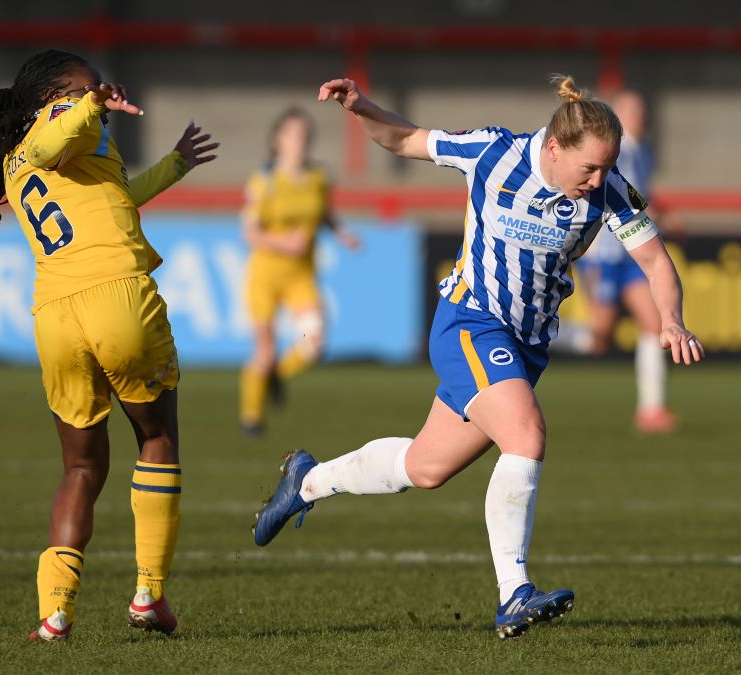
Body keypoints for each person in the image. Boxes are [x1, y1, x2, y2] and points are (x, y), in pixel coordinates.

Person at [251, 74, 704, 640]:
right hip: (470, 322)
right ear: (554, 148)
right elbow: (406, 140)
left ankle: (309, 480)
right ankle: (514, 592)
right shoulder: (493, 151)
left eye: (607, 168)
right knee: (526, 436)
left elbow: (657, 264)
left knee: (425, 467)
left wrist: (671, 318)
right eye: (588, 168)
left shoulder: (612, 189)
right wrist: (361, 105)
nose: (598, 180)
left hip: (526, 346)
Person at [0, 49, 218, 641]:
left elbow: (116, 197)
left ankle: (55, 613)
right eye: (86, 85)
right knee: (156, 437)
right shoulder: (59, 129)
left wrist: (174, 164)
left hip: (55, 316)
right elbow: (56, 138)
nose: (99, 93)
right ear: (53, 97)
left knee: (80, 466)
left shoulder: (18, 158)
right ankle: (148, 594)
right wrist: (87, 106)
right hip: (117, 299)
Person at [239, 108, 360, 437]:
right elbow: (250, 232)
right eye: (293, 135)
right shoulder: (264, 181)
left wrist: (341, 232)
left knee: (314, 344)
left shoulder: (320, 177)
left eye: (305, 135)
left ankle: (276, 374)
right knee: (263, 349)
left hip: (301, 275)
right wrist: (283, 242)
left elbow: (326, 213)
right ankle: (251, 418)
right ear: (277, 140)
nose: (300, 142)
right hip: (265, 273)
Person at [576, 89, 677, 434]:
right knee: (599, 337)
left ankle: (651, 409)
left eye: (641, 109)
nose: (639, 116)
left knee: (653, 324)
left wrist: (663, 215)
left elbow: (637, 195)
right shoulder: (610, 150)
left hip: (631, 256)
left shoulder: (641, 151)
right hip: (603, 255)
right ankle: (535, 332)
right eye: (631, 110)